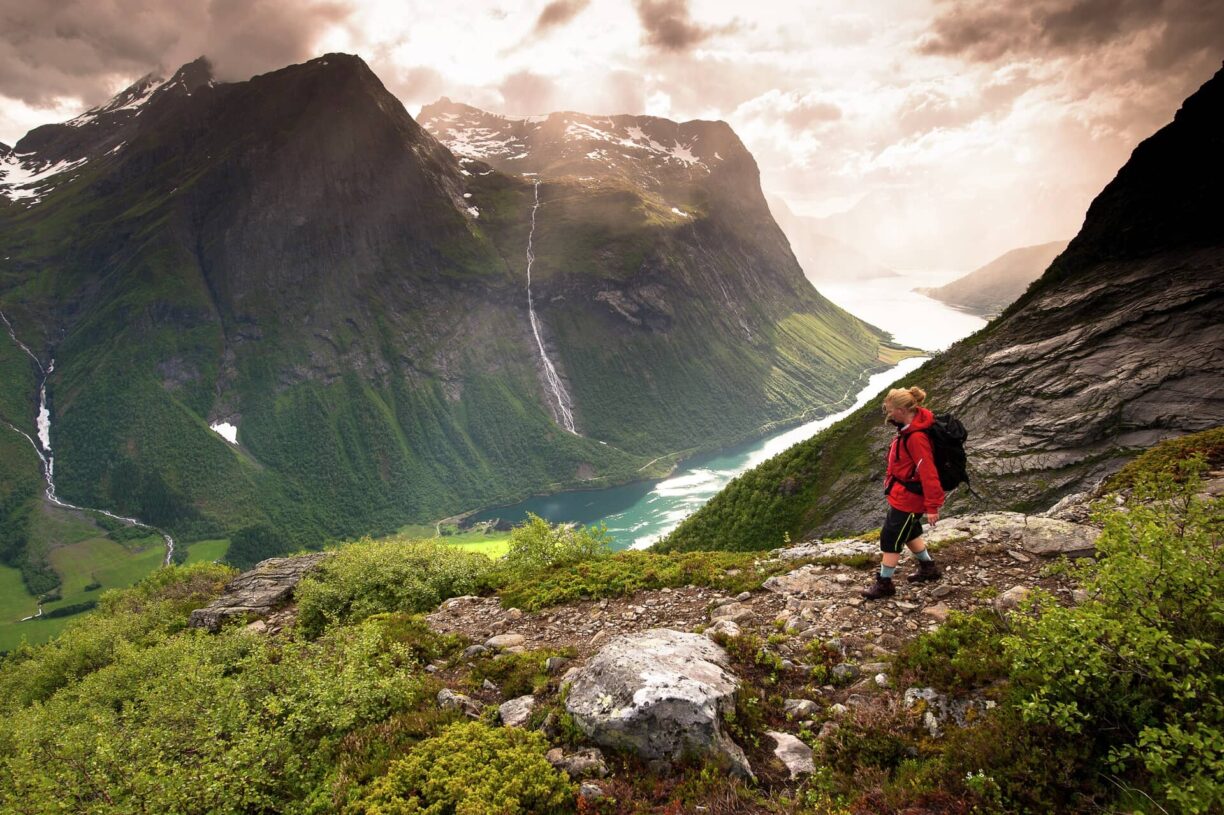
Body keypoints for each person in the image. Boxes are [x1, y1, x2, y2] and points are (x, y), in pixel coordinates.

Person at [862, 385, 944, 600]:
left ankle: (885, 584)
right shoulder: (909, 429)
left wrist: (932, 506)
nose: (888, 414)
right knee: (909, 532)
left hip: (910, 499)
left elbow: (928, 472)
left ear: (902, 410)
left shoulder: (916, 437)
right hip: (904, 495)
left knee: (890, 537)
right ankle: (929, 568)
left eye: (890, 410)